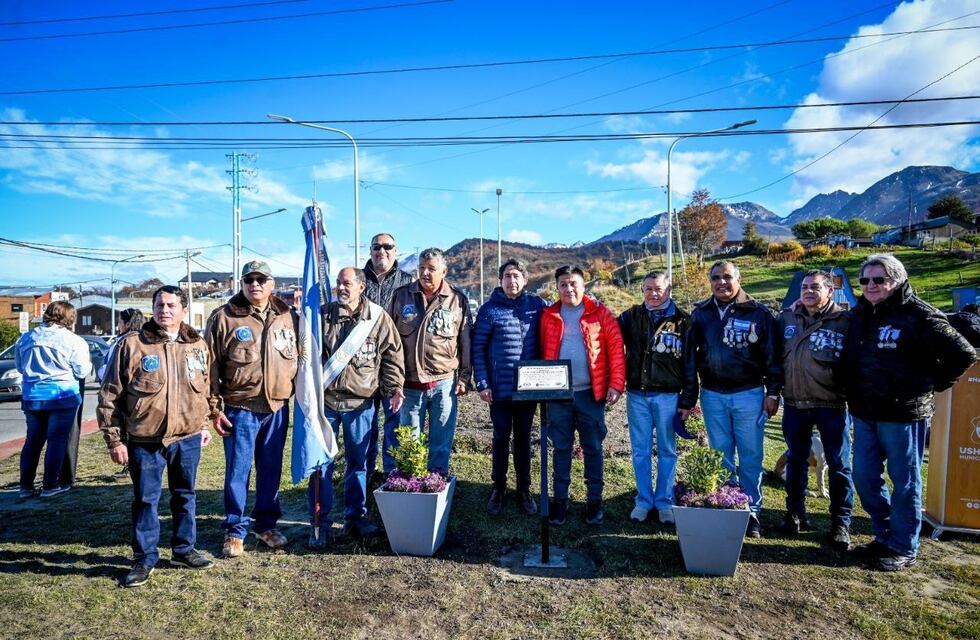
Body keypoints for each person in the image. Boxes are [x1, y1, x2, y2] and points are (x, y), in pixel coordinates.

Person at [845, 254, 975, 571]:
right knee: (863, 477)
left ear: (898, 280)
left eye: (879, 279)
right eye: (865, 280)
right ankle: (884, 535)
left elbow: (964, 353)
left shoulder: (920, 315)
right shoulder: (862, 313)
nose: (871, 286)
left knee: (904, 482)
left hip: (903, 414)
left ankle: (904, 546)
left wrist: (935, 384)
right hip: (864, 411)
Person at [98, 285, 216, 588]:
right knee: (146, 500)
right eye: (160, 305)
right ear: (153, 308)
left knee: (185, 496)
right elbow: (110, 395)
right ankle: (144, 558)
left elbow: (204, 389)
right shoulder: (133, 345)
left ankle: (184, 550)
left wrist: (204, 424)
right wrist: (115, 440)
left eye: (171, 305)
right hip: (145, 440)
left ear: (183, 310)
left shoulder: (198, 345)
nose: (165, 310)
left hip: (187, 438)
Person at [205, 260, 298, 559]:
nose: (254, 284)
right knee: (237, 472)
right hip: (240, 407)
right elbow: (209, 368)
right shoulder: (224, 318)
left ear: (272, 283)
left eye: (261, 279)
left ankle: (266, 525)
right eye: (249, 279)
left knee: (271, 471)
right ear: (242, 283)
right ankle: (235, 529)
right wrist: (214, 409)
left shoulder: (288, 317)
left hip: (276, 407)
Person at [307, 267, 405, 546]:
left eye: (347, 283)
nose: (341, 288)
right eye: (338, 283)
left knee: (359, 463)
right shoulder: (322, 316)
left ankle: (355, 517)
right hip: (325, 404)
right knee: (320, 465)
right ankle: (319, 523)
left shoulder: (376, 318)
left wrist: (394, 388)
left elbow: (392, 356)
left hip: (361, 404)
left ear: (362, 287)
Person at [686, 260, 780, 538]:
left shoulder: (758, 313)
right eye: (715, 278)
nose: (721, 282)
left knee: (750, 454)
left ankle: (751, 511)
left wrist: (773, 392)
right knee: (721, 454)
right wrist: (690, 398)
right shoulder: (701, 314)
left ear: (739, 279)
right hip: (713, 395)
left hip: (749, 394)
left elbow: (773, 356)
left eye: (727, 277)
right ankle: (729, 503)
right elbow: (691, 359)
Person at [540, 265, 625, 526]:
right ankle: (560, 502)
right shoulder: (548, 315)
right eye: (563, 284)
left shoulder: (601, 314)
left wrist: (616, 384)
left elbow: (616, 350)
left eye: (573, 283)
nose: (569, 288)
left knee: (593, 448)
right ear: (557, 287)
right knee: (561, 448)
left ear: (583, 285)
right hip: (559, 396)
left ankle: (594, 503)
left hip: (591, 395)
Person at [775, 270, 854, 549]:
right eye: (805, 287)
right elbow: (774, 359)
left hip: (832, 404)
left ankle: (840, 523)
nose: (809, 291)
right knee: (796, 461)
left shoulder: (846, 321)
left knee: (839, 464)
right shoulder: (786, 318)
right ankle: (795, 515)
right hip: (796, 403)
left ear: (830, 291)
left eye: (816, 287)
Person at [618, 270, 696, 525]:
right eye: (648, 289)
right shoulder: (631, 316)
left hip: (668, 396)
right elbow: (606, 332)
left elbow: (689, 364)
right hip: (637, 394)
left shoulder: (683, 321)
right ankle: (643, 501)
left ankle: (664, 502)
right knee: (640, 450)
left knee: (667, 450)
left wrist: (687, 400)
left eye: (658, 289)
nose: (653, 293)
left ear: (669, 290)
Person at [472, 258, 548, 516]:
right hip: (500, 390)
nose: (511, 280)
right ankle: (499, 487)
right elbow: (478, 349)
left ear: (525, 280)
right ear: (500, 280)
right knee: (501, 437)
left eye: (516, 276)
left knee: (524, 440)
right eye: (507, 276)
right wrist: (482, 383)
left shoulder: (537, 306)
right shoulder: (489, 310)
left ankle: (524, 489)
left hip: (529, 389)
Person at [389, 247, 472, 473]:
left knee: (440, 445)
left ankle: (436, 486)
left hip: (444, 385)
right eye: (421, 268)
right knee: (410, 445)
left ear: (443, 271)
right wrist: (394, 382)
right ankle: (411, 488)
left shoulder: (457, 300)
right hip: (410, 387)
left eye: (432, 269)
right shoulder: (402, 295)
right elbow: (391, 343)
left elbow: (465, 342)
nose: (425, 273)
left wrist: (464, 377)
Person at [15, 301, 92, 499]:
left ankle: (25, 486)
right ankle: (50, 485)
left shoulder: (25, 338)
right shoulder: (73, 340)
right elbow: (82, 370)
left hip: (32, 396)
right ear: (70, 318)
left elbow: (20, 367)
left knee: (32, 441)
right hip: (62, 395)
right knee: (56, 441)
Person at [363, 232, 414, 479]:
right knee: (364, 427)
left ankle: (391, 478)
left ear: (396, 251)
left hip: (394, 365)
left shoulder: (408, 283)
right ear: (370, 250)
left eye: (387, 246)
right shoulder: (358, 280)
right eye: (376, 246)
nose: (381, 251)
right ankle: (365, 476)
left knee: (394, 424)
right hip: (360, 368)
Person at [98, 308, 146, 382]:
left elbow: (109, 371)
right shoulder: (146, 342)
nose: (118, 325)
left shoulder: (120, 344)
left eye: (119, 322)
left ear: (127, 324)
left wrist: (100, 372)